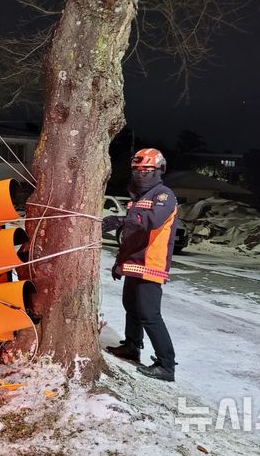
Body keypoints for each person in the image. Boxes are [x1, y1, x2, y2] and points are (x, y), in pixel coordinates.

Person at [102, 148, 178, 382]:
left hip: (151, 264)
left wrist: (121, 220)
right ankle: (132, 346)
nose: (141, 174)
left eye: (147, 170)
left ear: (159, 170)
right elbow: (131, 237)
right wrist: (119, 263)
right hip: (134, 263)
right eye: (137, 170)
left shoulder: (163, 195)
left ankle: (166, 365)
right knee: (131, 308)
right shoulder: (138, 199)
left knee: (150, 315)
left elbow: (151, 222)